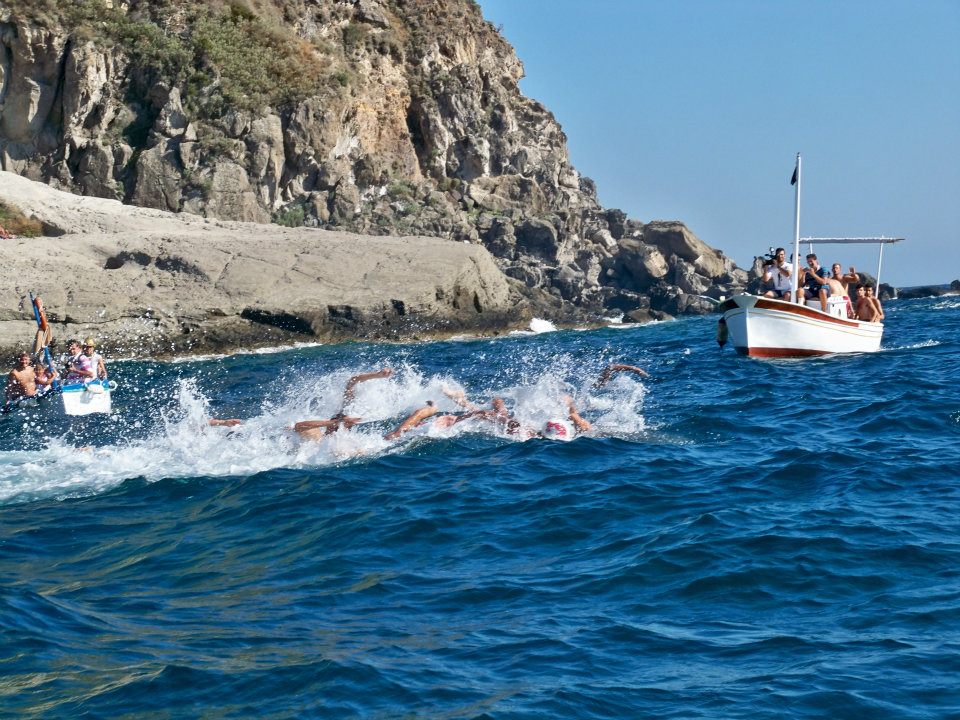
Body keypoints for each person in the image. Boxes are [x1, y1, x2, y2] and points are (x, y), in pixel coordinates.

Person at [293, 368, 393, 440]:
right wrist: (335, 422)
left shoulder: (348, 442)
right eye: (334, 427)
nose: (334, 429)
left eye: (344, 427)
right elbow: (298, 426)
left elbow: (352, 382)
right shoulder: (318, 438)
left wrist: (377, 375)